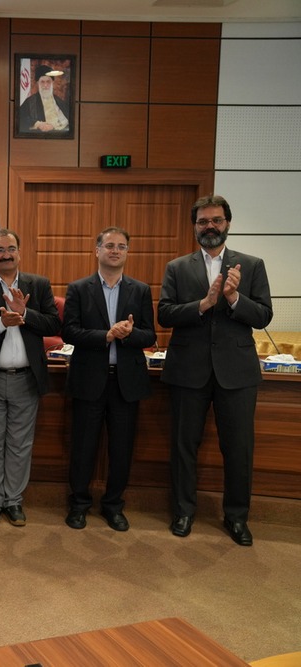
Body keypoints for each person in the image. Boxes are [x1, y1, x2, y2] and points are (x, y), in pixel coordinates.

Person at [157, 195, 273, 546]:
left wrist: (235, 298)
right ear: (194, 226)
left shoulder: (251, 265)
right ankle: (183, 511)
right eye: (203, 221)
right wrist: (204, 304)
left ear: (227, 223)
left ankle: (237, 517)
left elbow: (263, 316)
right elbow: (165, 314)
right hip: (187, 370)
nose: (210, 226)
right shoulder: (177, 267)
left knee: (239, 448)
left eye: (216, 220)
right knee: (183, 445)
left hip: (236, 373)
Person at [0, 229, 60, 526]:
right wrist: (1, 323)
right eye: (0, 250)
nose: (6, 255)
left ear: (19, 252)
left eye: (11, 249)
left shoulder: (38, 284)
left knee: (20, 444)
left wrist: (25, 313)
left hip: (26, 378)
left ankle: (14, 501)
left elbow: (54, 325)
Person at [61, 227, 156, 532]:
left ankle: (114, 505)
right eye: (110, 245)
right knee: (83, 447)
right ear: (97, 250)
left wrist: (128, 334)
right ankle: (78, 505)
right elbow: (69, 332)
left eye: (122, 246)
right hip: (89, 380)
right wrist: (106, 335)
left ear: (127, 252)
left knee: (121, 449)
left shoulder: (140, 290)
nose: (116, 251)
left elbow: (149, 335)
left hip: (126, 383)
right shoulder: (79, 288)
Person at [18, 64, 69, 134]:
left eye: (48, 82)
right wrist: (37, 124)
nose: (45, 85)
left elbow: (68, 119)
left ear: (52, 83)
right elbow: (20, 118)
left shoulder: (59, 101)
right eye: (42, 82)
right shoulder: (30, 102)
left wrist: (55, 126)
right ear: (37, 83)